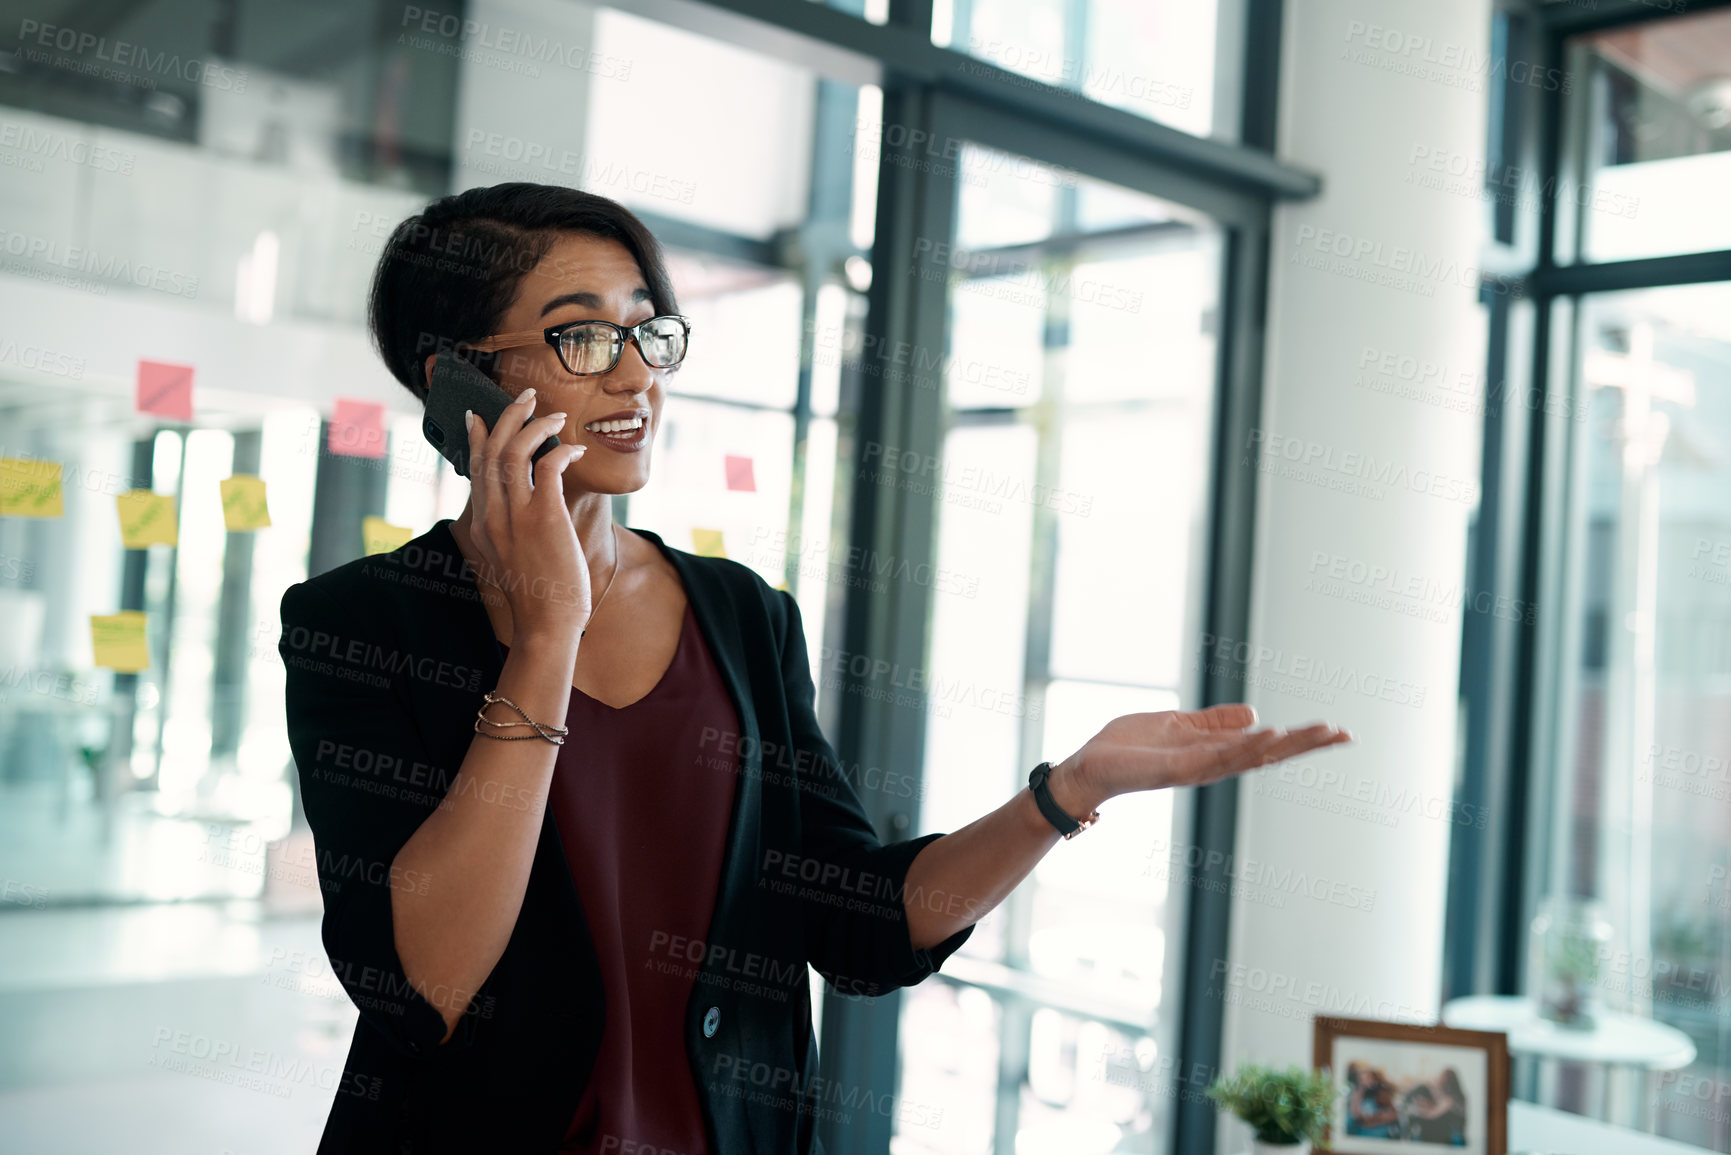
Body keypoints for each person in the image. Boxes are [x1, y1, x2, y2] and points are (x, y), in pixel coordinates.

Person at [278, 181, 1353, 1154]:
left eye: (649, 332)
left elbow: (860, 926)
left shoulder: (740, 616)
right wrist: (545, 640)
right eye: (582, 339)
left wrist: (1066, 793)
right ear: (457, 378)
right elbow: (428, 984)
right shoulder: (360, 623)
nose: (638, 373)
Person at [1403, 1067, 1469, 1145]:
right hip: (1451, 1137)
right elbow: (1436, 1107)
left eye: (1439, 1079)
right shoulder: (1455, 1097)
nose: (1437, 1082)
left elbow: (1433, 1114)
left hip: (1454, 1140)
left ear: (1446, 1083)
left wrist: (1417, 1111)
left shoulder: (1451, 1099)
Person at [1344, 1061, 1402, 1138]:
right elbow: (1356, 1115)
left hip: (1376, 1130)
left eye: (1367, 1078)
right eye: (1361, 1079)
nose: (1364, 1082)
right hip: (1360, 1129)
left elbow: (1395, 1114)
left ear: (1374, 1079)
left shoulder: (1381, 1092)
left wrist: (1377, 1118)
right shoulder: (1357, 1092)